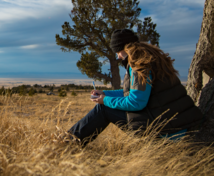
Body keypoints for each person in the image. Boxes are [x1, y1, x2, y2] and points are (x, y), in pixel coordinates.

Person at [67, 29, 203, 145]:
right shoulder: (150, 59)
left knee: (103, 109)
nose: (118, 56)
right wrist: (106, 94)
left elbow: (136, 102)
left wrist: (104, 101)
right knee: (105, 105)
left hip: (166, 131)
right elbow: (135, 93)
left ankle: (68, 142)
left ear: (123, 49)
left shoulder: (139, 66)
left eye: (118, 52)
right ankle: (70, 140)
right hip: (178, 124)